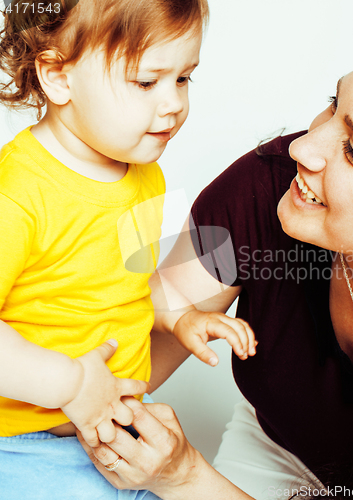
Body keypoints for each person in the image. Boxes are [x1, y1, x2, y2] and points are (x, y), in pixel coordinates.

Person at [80, 12, 353, 500]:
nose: (303, 148)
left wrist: (185, 478)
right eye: (334, 105)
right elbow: (118, 363)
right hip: (278, 445)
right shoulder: (263, 189)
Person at [0, 0, 256, 498]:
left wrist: (176, 318)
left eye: (184, 79)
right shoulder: (17, 193)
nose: (173, 104)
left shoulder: (143, 174)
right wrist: (72, 386)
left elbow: (126, 283)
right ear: (57, 76)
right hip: (23, 448)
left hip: (114, 436)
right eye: (146, 82)